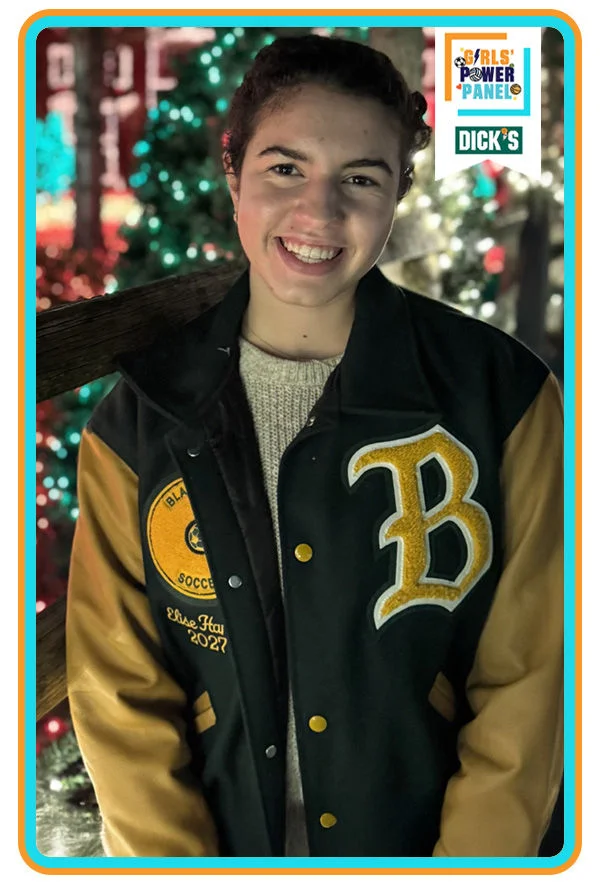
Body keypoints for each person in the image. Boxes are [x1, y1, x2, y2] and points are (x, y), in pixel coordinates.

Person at [66, 34, 564, 858]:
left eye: (361, 178)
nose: (319, 214)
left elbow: (532, 676)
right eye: (285, 169)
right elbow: (120, 693)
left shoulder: (501, 397)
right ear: (233, 171)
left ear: (401, 188)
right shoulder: (141, 423)